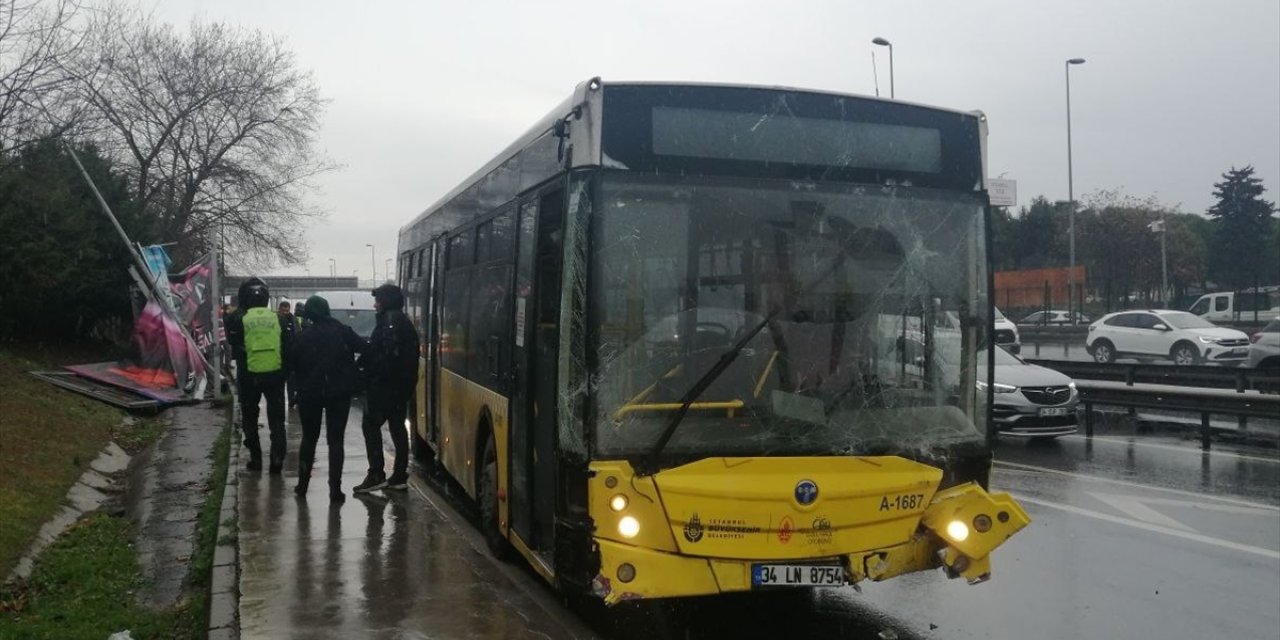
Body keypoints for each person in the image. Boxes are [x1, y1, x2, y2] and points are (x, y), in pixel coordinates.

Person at [292, 295, 365, 502]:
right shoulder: (342, 331)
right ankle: (335, 489)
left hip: (310, 394)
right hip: (338, 393)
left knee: (309, 438)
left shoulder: (303, 336)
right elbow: (364, 348)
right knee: (336, 441)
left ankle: (302, 485)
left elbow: (291, 362)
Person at [353, 284, 420, 493]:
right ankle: (399, 475)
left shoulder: (390, 322)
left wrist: (366, 371)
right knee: (397, 428)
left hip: (385, 386)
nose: (375, 305)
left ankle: (376, 474)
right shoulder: (401, 320)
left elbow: (383, 354)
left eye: (378, 301)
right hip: (400, 386)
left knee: (370, 425)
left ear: (386, 302)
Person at [225, 278, 293, 472]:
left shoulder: (236, 318)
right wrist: (285, 372)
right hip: (275, 375)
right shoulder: (278, 318)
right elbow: (288, 346)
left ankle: (255, 459)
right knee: (277, 419)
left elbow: (232, 343)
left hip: (248, 374)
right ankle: (277, 458)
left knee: (249, 416)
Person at [278, 300, 300, 408]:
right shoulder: (276, 320)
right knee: (280, 382)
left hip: (291, 355)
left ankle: (291, 400)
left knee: (292, 381)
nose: (285, 312)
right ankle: (280, 401)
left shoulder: (294, 319)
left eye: (287, 310)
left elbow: (298, 334)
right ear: (280, 310)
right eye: (283, 310)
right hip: (280, 355)